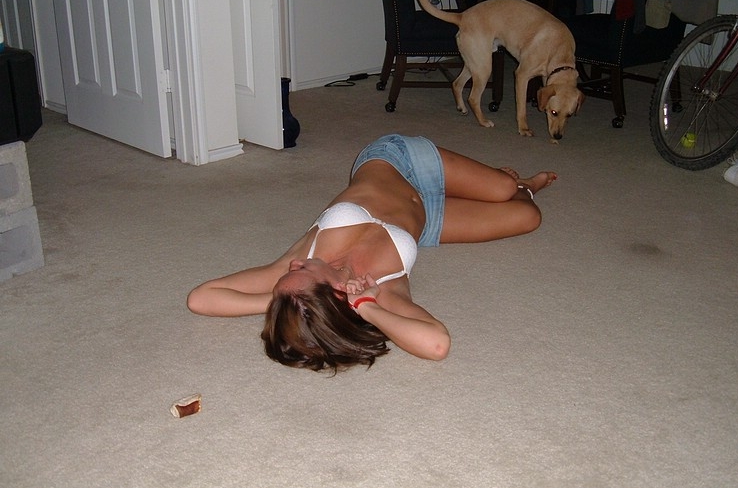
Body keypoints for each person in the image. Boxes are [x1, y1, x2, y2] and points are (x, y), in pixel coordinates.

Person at [187, 134, 556, 372]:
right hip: (425, 220)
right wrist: (366, 307)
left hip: (399, 161)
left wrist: (285, 302)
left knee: (503, 186)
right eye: (300, 273)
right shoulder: (382, 291)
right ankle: (518, 187)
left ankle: (500, 182)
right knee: (528, 216)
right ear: (332, 292)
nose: (295, 264)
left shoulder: (298, 261)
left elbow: (200, 298)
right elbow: (437, 344)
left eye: (291, 273)